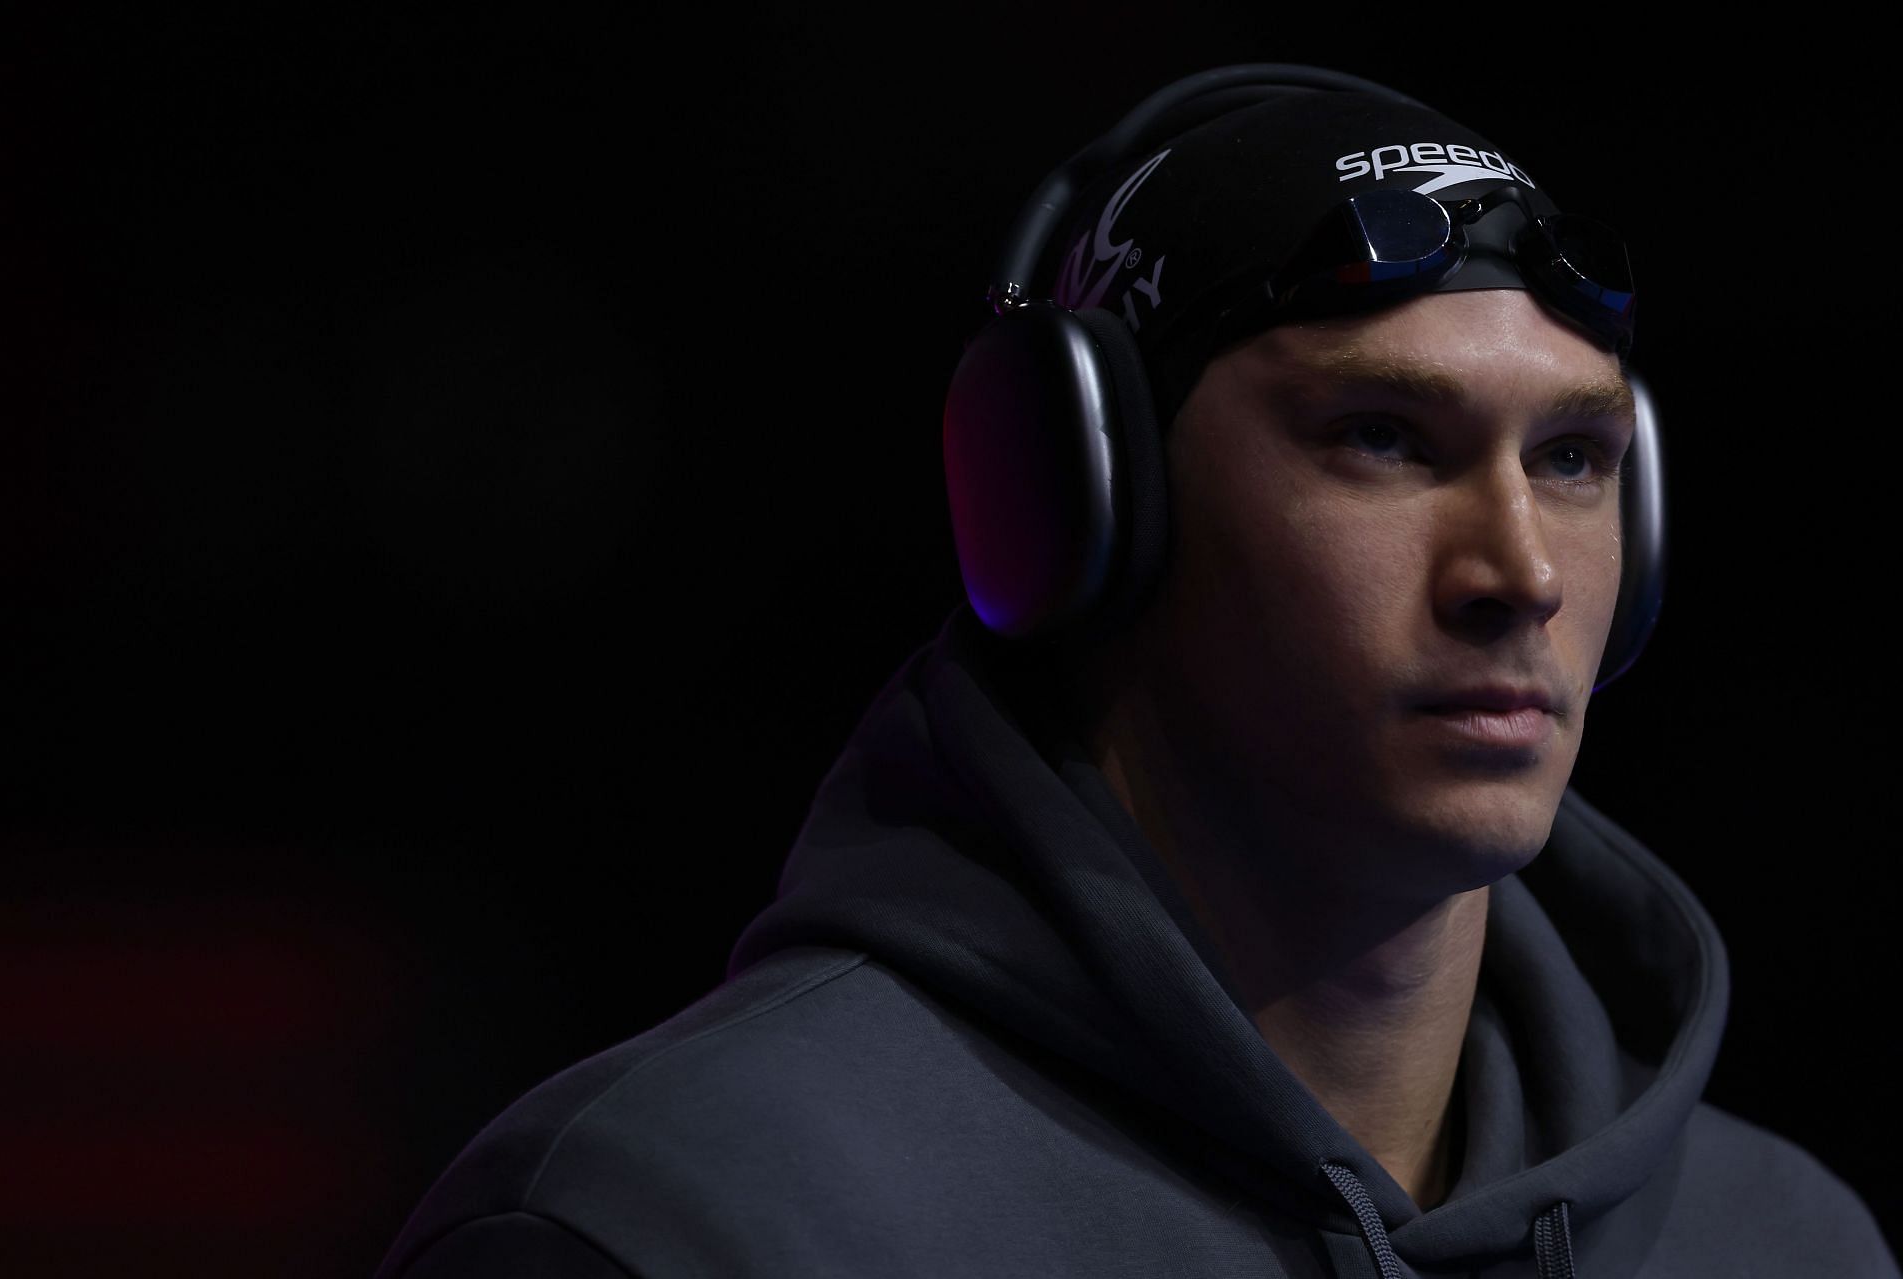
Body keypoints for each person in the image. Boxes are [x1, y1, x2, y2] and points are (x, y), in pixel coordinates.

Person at [374, 66, 1900, 1278]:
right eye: (1382, 440)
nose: (1522, 572)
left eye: (1573, 458)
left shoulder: (1784, 1245)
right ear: (1076, 506)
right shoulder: (681, 1227)